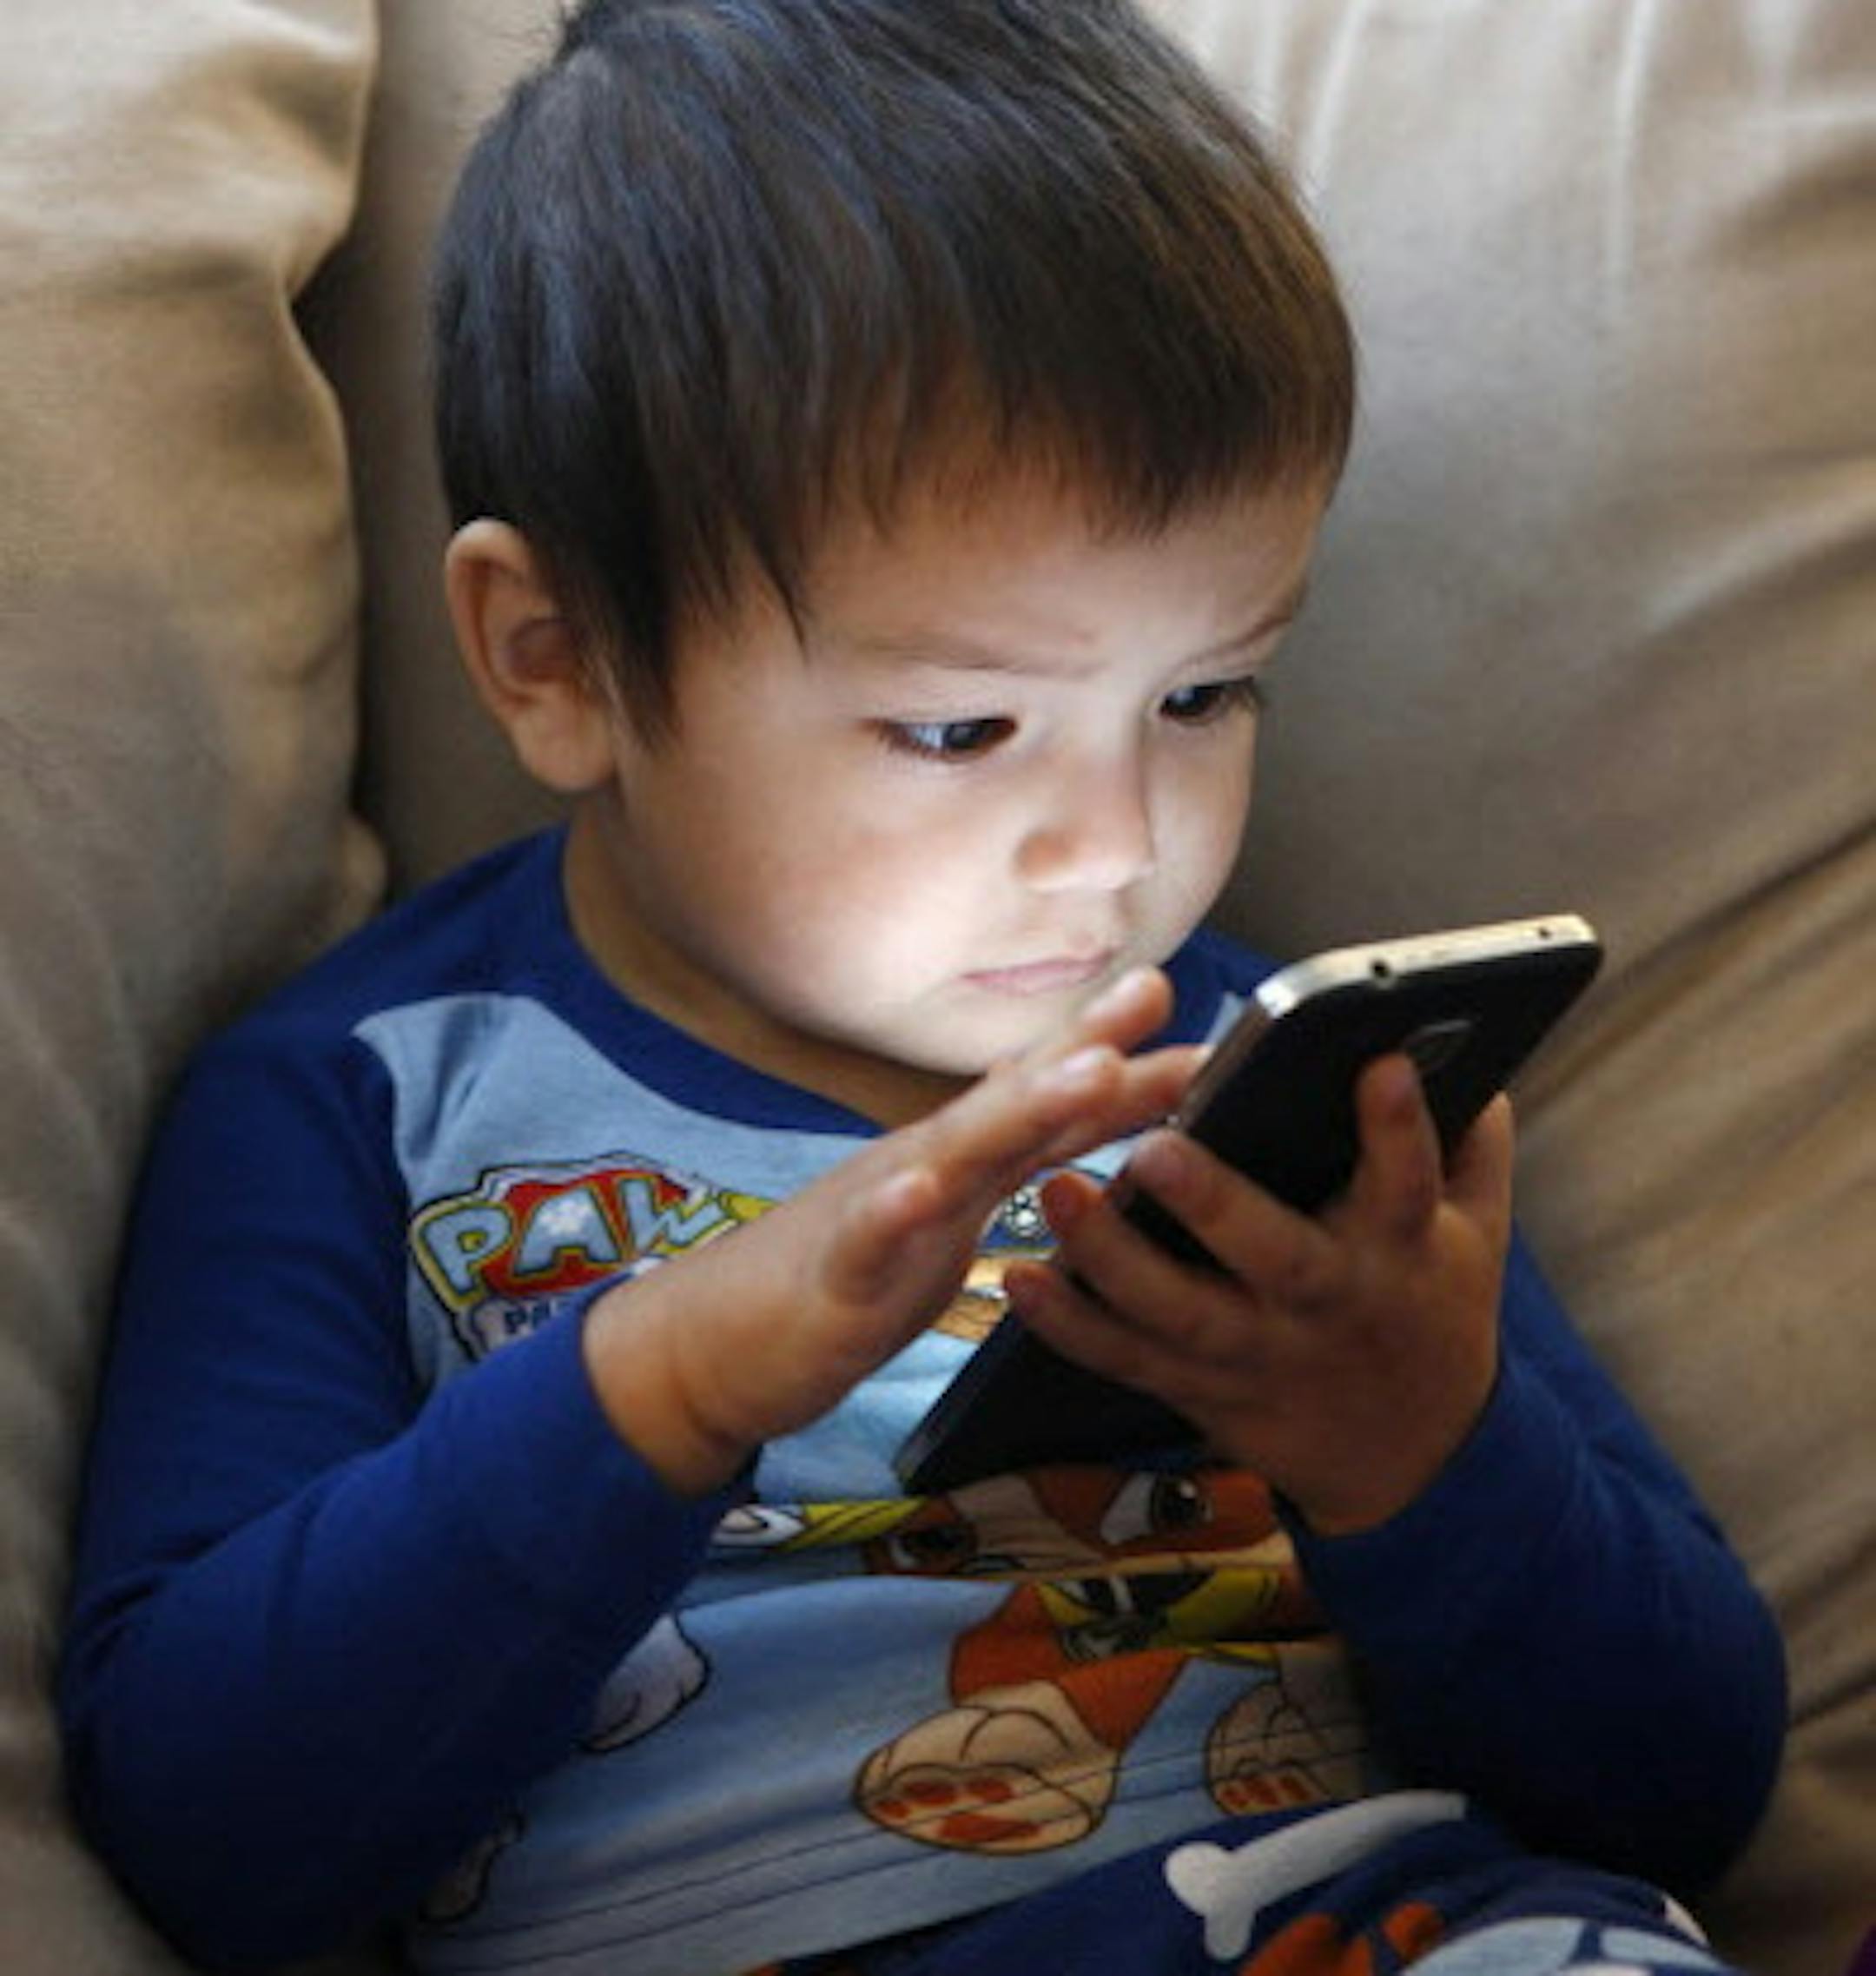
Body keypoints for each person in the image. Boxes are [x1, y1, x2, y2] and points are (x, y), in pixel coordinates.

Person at [59, 3, 1785, 1973]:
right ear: (555, 659)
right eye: (964, 727)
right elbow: (209, 1824)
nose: (1117, 842)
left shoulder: (1272, 1101)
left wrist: (1420, 1444)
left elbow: (1691, 1790)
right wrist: (675, 1380)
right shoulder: (366, 1098)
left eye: (1204, 691)